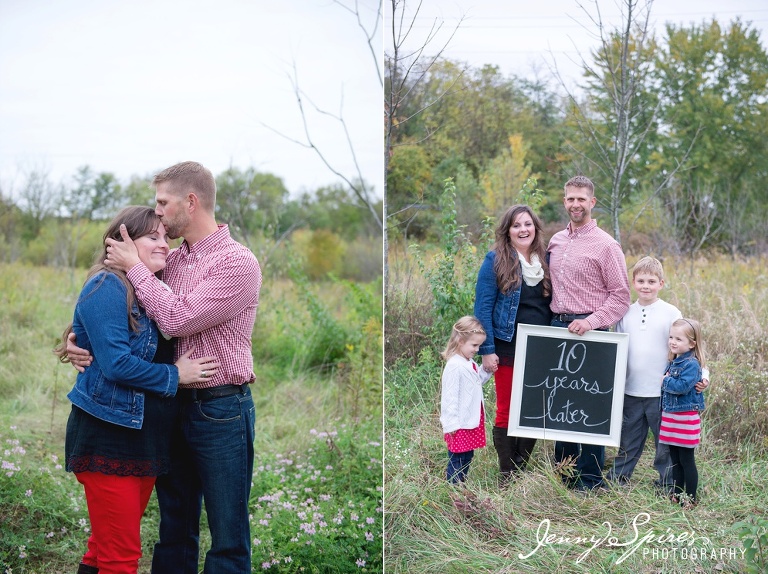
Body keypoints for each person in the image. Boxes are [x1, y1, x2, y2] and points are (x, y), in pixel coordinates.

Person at [66, 161, 262, 574]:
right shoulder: (169, 261)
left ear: (190, 202)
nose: (157, 212)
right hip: (167, 406)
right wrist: (78, 340)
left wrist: (135, 267)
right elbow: (119, 308)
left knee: (228, 532)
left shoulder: (236, 263)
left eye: (162, 203)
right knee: (174, 526)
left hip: (219, 408)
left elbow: (175, 318)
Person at [54, 207, 219, 574]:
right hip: (109, 435)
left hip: (145, 438)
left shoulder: (152, 289)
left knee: (103, 548)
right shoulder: (107, 285)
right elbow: (117, 364)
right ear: (122, 242)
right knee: (121, 557)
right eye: (152, 237)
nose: (164, 245)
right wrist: (175, 375)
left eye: (166, 237)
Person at [547, 175, 631, 491]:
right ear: (564, 201)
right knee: (561, 403)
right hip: (557, 328)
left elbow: (621, 297)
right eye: (570, 198)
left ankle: (591, 478)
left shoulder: (607, 245)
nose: (575, 204)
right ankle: (565, 475)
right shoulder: (555, 241)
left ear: (592, 202)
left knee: (590, 406)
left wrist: (591, 322)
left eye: (581, 198)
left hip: (591, 331)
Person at [607, 256, 709, 490]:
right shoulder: (625, 313)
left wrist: (704, 375)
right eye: (641, 281)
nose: (646, 286)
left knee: (664, 442)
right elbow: (618, 349)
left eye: (651, 281)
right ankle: (618, 479)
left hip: (664, 393)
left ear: (661, 284)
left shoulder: (671, 312)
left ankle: (668, 482)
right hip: (631, 389)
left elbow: (689, 350)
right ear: (633, 282)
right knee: (629, 438)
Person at [473, 204, 553, 485]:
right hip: (507, 347)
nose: (523, 230)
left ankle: (521, 466)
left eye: (527, 224)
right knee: (507, 408)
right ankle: (507, 473)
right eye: (516, 225)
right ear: (507, 230)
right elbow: (483, 308)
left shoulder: (546, 260)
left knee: (533, 409)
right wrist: (487, 350)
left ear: (536, 228)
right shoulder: (495, 260)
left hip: (541, 348)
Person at [439, 316, 494, 483]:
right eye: (474, 345)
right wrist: (451, 424)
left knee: (467, 455)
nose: (477, 349)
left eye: (479, 345)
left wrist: (487, 370)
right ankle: (454, 486)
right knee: (457, 458)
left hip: (469, 420)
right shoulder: (454, 366)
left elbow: (476, 381)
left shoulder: (468, 362)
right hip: (459, 424)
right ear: (460, 341)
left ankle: (462, 483)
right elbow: (449, 398)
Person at [660, 318, 706, 508]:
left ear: (692, 344)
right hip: (671, 417)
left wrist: (665, 380)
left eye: (678, 339)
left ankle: (691, 497)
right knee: (675, 460)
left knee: (687, 460)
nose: (673, 342)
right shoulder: (674, 360)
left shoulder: (691, 364)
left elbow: (682, 387)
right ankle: (677, 493)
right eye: (671, 337)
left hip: (685, 418)